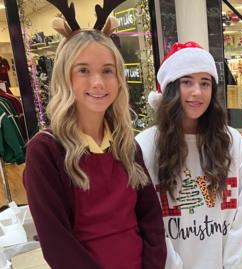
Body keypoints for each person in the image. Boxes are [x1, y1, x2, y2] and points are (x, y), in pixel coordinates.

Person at [23, 7, 167, 269]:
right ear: (65, 77)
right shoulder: (45, 151)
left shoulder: (126, 145)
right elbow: (57, 244)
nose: (98, 82)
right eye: (84, 70)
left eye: (107, 70)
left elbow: (151, 221)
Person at [137, 41, 242, 269]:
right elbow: (149, 225)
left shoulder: (232, 142)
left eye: (205, 83)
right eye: (186, 82)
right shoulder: (146, 146)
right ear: (171, 88)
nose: (197, 92)